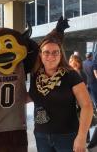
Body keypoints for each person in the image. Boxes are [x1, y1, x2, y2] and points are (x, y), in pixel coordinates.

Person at [29, 16, 93, 152]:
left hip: (67, 136)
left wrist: (81, 137)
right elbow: (31, 96)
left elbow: (87, 106)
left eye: (55, 52)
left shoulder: (70, 75)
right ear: (40, 54)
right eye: (46, 52)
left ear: (60, 54)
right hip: (41, 135)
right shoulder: (36, 75)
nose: (50, 56)